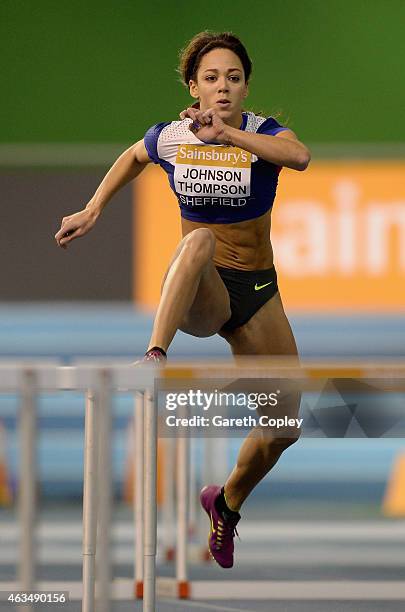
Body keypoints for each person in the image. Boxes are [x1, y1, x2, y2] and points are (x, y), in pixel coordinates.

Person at [55, 31, 311, 569]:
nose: (223, 88)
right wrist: (93, 208)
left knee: (283, 428)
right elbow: (133, 155)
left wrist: (231, 139)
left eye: (234, 79)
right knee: (197, 240)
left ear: (245, 89)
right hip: (203, 290)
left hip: (258, 292)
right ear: (194, 86)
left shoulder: (263, 134)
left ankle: (227, 502)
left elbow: (300, 156)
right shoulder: (173, 137)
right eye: (212, 78)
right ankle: (155, 355)